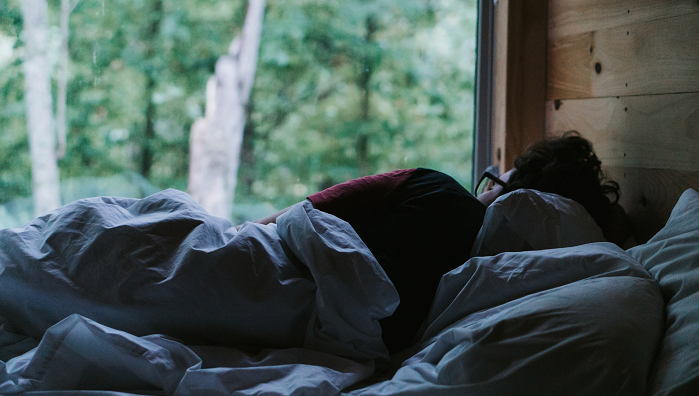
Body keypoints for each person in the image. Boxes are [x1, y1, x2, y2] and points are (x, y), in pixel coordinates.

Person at [248, 132, 629, 354]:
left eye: (494, 181)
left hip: (265, 275)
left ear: (509, 194)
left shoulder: (431, 185)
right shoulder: (497, 287)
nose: (486, 187)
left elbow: (299, 213)